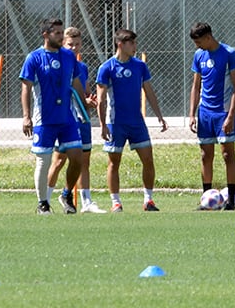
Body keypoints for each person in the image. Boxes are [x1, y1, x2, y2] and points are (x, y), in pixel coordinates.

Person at [95, 28, 167, 212]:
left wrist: (159, 115)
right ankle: (115, 202)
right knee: (114, 162)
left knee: (148, 159)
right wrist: (103, 125)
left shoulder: (139, 66)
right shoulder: (107, 68)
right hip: (115, 123)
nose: (135, 47)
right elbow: (101, 99)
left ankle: (148, 200)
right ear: (121, 44)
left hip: (136, 122)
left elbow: (148, 91)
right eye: (132, 43)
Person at [21, 19, 87, 215]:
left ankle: (66, 194)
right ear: (45, 35)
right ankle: (43, 203)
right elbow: (26, 87)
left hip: (67, 118)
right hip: (44, 119)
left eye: (61, 32)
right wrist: (26, 116)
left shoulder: (69, 57)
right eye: (57, 33)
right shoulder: (34, 58)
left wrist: (84, 105)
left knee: (77, 158)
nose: (60, 36)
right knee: (44, 161)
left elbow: (76, 84)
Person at [46, 26, 104, 214]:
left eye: (78, 44)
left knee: (83, 160)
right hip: (64, 118)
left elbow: (84, 92)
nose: (74, 48)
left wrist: (90, 100)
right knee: (58, 161)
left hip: (82, 120)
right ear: (63, 43)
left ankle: (85, 201)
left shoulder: (82, 67)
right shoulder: (58, 63)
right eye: (70, 44)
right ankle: (45, 199)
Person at [189, 22, 235, 210]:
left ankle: (229, 200)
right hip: (205, 113)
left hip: (223, 112)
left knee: (227, 154)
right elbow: (196, 86)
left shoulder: (229, 54)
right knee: (205, 155)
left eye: (199, 42)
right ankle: (206, 199)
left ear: (208, 37)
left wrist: (230, 116)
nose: (197, 46)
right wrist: (192, 115)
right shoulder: (199, 56)